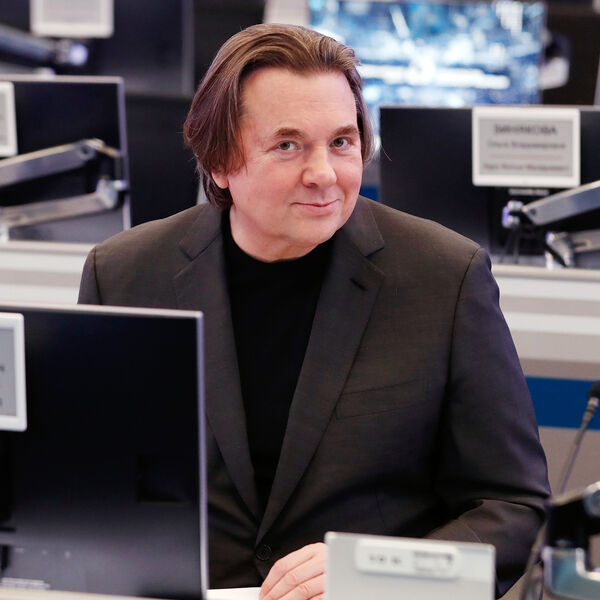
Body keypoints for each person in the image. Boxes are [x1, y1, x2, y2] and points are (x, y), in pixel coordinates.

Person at [78, 23, 550, 599]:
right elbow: (87, 489)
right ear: (219, 162)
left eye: (342, 142)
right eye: (288, 145)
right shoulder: (124, 274)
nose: (325, 174)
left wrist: (379, 573)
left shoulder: (444, 276)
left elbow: (513, 506)